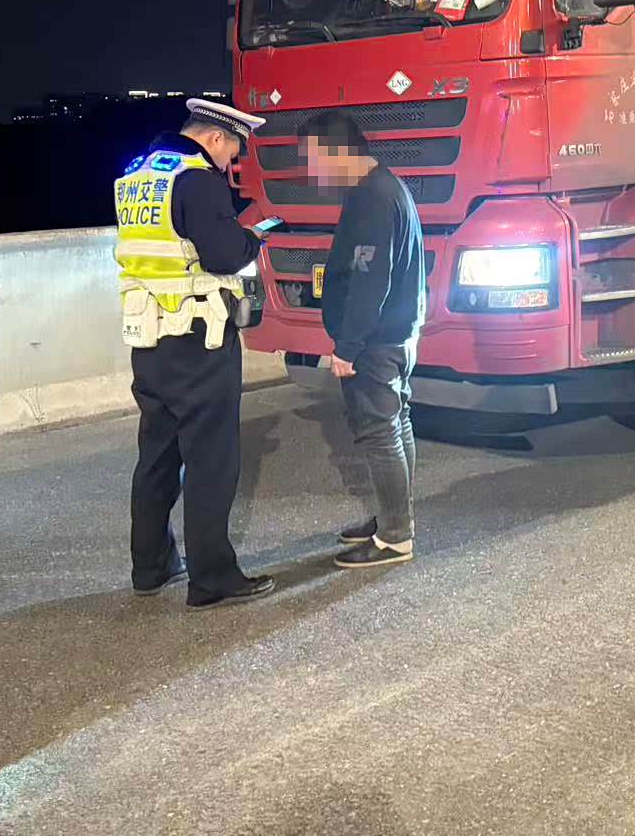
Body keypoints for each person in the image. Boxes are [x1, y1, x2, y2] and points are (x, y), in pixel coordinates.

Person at [114, 98, 276, 609]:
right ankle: (212, 578)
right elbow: (224, 254)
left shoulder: (138, 174)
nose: (231, 164)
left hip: (149, 339)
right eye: (232, 152)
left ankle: (151, 566)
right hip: (198, 338)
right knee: (210, 459)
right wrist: (252, 239)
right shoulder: (197, 179)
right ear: (215, 137)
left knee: (157, 456)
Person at [304, 111, 427, 568]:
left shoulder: (373, 197)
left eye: (314, 159)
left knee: (380, 432)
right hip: (397, 330)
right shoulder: (384, 187)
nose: (312, 171)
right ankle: (395, 518)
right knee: (397, 423)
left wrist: (348, 346)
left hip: (375, 339)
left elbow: (370, 277)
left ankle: (395, 537)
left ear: (339, 152)